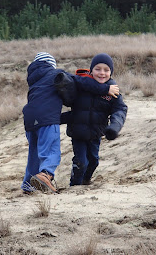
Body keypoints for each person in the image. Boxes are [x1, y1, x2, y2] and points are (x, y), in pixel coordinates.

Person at [21, 52, 119, 194]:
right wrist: (106, 89)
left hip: (29, 120)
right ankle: (46, 174)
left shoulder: (34, 81)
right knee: (51, 151)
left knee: (34, 153)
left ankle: (27, 185)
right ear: (51, 65)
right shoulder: (56, 73)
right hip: (47, 119)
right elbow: (80, 80)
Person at [61, 53, 128, 186]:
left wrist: (114, 126)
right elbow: (68, 78)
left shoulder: (113, 92)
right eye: (98, 69)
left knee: (94, 162)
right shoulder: (81, 84)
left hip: (96, 133)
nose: (102, 73)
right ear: (91, 70)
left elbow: (120, 109)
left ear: (111, 72)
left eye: (106, 70)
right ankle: (75, 186)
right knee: (81, 162)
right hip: (78, 133)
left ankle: (86, 181)